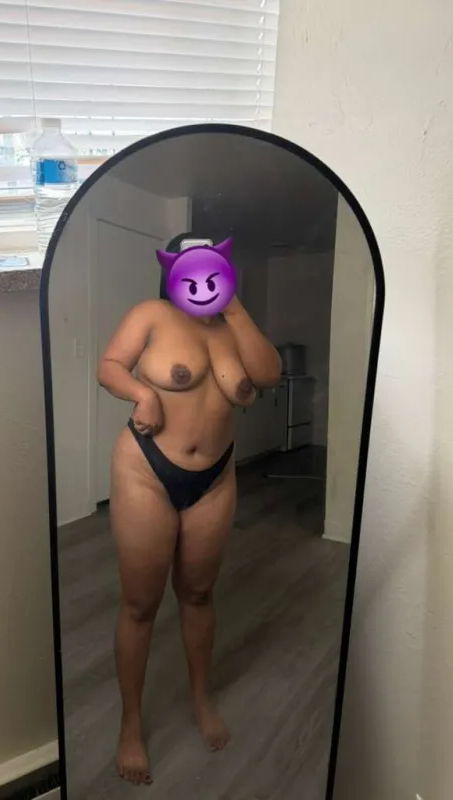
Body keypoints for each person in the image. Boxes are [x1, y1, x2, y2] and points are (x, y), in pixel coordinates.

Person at [96, 234, 282, 785]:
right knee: (140, 603)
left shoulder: (232, 327)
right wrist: (143, 394)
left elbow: (267, 375)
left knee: (199, 594)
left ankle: (201, 698)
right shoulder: (151, 315)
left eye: (215, 266)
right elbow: (110, 365)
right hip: (146, 470)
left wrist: (236, 307)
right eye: (192, 265)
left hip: (215, 476)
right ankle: (131, 724)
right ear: (172, 271)